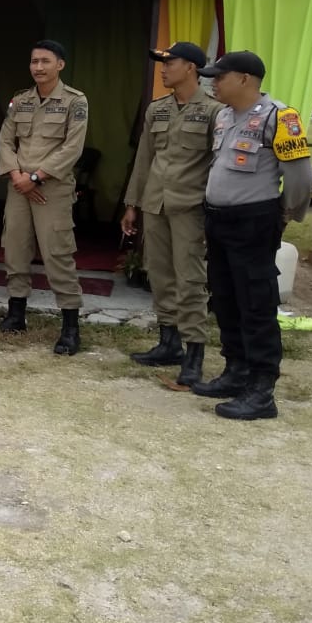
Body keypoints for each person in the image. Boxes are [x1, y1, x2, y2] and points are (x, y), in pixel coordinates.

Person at [191, 51, 312, 420]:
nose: (213, 82)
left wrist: (286, 214)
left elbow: (300, 177)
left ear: (244, 79)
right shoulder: (225, 115)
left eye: (219, 76)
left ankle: (262, 390)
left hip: (254, 222)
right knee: (225, 298)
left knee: (256, 304)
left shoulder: (280, 116)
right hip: (219, 220)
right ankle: (236, 370)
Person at [121, 42, 224, 385]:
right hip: (155, 204)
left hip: (190, 208)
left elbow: (217, 165)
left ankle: (194, 351)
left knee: (190, 280)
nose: (163, 69)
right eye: (162, 64)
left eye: (170, 63)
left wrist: (215, 212)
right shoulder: (158, 109)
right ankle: (169, 343)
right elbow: (144, 160)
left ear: (192, 68)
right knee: (160, 275)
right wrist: (132, 204)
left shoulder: (213, 111)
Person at [0, 40, 89, 354]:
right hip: (19, 187)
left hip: (52, 189)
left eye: (45, 61)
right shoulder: (20, 101)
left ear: (60, 65)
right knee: (16, 248)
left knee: (57, 254)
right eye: (34, 61)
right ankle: (16, 313)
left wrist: (36, 177)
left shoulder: (75, 102)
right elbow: (6, 141)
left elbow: (72, 148)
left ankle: (70, 326)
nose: (38, 67)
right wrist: (18, 177)